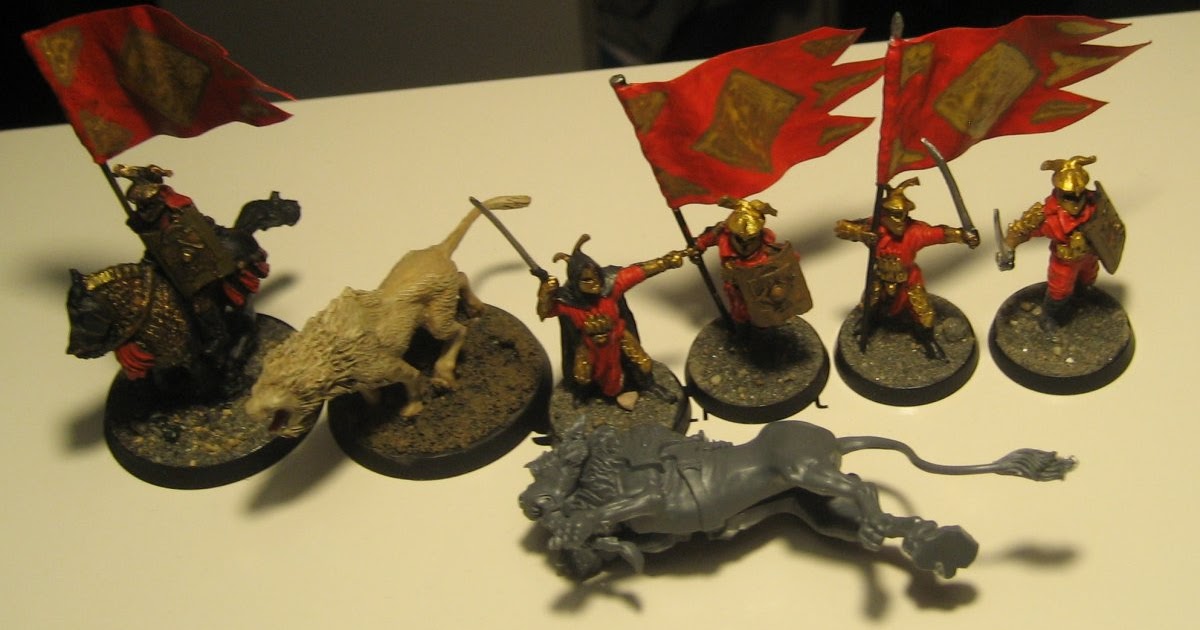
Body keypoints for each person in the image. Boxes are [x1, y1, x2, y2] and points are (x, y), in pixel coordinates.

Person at [537, 234, 690, 409]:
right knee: (582, 375)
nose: (595, 282)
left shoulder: (611, 286)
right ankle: (582, 395)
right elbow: (545, 312)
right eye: (587, 279)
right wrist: (545, 293)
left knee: (642, 362)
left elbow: (639, 272)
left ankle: (648, 385)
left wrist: (666, 262)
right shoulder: (568, 302)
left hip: (618, 335)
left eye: (596, 275)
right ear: (575, 280)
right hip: (588, 344)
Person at [835, 177, 979, 359]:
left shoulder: (915, 232)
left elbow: (940, 234)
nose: (901, 219)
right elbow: (841, 228)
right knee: (869, 304)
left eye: (903, 214)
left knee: (924, 312)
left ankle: (927, 340)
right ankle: (866, 327)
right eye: (896, 214)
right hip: (880, 276)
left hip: (908, 279)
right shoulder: (873, 227)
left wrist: (962, 236)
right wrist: (861, 233)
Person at [1001, 155, 1115, 327]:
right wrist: (1009, 250)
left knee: (1087, 280)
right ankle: (1051, 318)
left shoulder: (1094, 205)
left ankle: (1080, 304)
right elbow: (1021, 231)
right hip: (1064, 262)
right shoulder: (1046, 215)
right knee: (1059, 291)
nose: (1076, 199)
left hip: (1089, 256)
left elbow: (1108, 226)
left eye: (1079, 193)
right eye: (1070, 195)